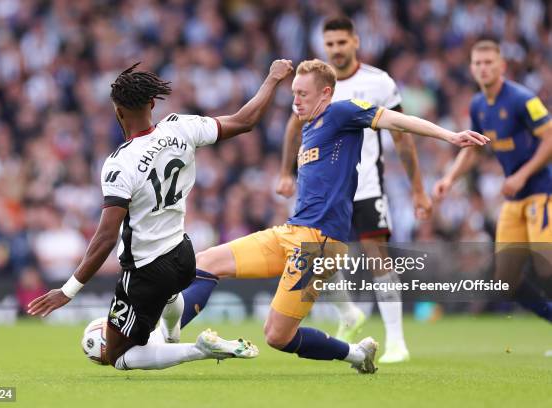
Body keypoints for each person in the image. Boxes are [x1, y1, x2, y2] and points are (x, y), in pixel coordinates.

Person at [168, 59, 488, 375]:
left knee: (277, 336)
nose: (295, 101)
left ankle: (353, 353)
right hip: (291, 233)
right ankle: (166, 339)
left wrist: (449, 135)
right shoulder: (310, 128)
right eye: (293, 93)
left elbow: (397, 121)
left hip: (318, 246)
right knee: (207, 261)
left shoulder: (341, 112)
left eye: (303, 94)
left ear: (325, 93)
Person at [27, 58, 295, 370]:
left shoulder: (119, 164)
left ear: (118, 111)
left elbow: (105, 238)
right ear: (153, 103)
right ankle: (171, 339)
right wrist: (273, 79)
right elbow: (245, 120)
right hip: (182, 254)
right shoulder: (181, 127)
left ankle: (199, 349)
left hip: (145, 270)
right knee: (169, 297)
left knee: (118, 357)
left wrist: (68, 290)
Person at [275, 16, 432, 363]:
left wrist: (418, 189)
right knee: (317, 256)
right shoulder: (315, 83)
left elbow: (402, 138)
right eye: (330, 44)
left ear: (356, 42)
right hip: (323, 192)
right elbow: (292, 128)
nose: (336, 49)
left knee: (377, 253)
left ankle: (396, 341)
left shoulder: (378, 82)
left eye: (342, 42)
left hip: (366, 185)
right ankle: (349, 313)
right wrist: (286, 172)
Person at [433, 39, 552, 324]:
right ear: (472, 68)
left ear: (502, 66)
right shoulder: (478, 105)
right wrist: (449, 178)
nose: (483, 68)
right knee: (506, 281)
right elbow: (474, 150)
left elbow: (550, 138)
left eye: (489, 63)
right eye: (478, 63)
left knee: (546, 265)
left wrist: (522, 175)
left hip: (541, 192)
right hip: (513, 198)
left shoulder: (523, 99)